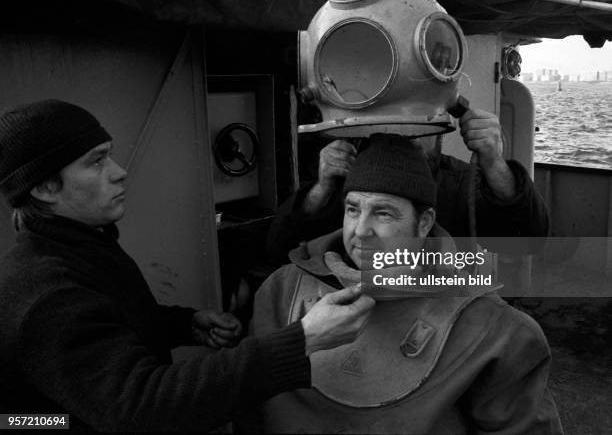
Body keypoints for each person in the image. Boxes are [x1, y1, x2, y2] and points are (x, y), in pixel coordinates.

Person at [0, 99, 375, 433]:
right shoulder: (47, 295)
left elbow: (100, 326)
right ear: (45, 188)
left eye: (109, 155)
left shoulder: (80, 244)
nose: (119, 171)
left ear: (424, 223)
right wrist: (303, 340)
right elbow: (142, 408)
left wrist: (181, 324)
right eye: (96, 161)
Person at [252, 135, 562, 434]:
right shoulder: (281, 291)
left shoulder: (495, 330)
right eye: (352, 209)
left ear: (424, 224)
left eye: (383, 214)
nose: (361, 231)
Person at [267, 108, 549, 266]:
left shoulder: (463, 183)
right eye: (394, 127)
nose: (405, 138)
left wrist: (494, 163)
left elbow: (528, 240)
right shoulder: (346, 183)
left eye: (418, 129)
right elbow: (281, 246)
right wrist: (322, 188)